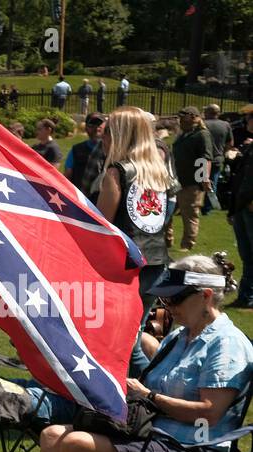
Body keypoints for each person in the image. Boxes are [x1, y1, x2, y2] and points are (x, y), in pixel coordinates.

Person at [37, 256, 253, 452]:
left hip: (192, 449)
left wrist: (152, 397)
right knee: (50, 437)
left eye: (175, 298)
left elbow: (209, 412)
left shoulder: (227, 345)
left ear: (205, 296)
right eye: (164, 297)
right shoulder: (179, 337)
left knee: (75, 444)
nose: (168, 306)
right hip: (149, 432)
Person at [97, 106, 173, 371]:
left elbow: (101, 225)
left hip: (126, 268)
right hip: (156, 263)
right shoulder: (156, 170)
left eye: (107, 131)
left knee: (124, 344)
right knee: (134, 335)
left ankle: (149, 394)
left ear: (120, 135)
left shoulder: (116, 172)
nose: (102, 137)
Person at [169, 107, 214, 251]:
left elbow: (206, 157)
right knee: (167, 212)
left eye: (183, 117)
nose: (180, 120)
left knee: (189, 215)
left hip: (192, 183)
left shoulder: (202, 134)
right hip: (176, 180)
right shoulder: (183, 134)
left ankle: (187, 245)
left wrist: (204, 178)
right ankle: (166, 240)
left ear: (193, 117)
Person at [230, 131, 253, 308]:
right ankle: (246, 296)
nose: (247, 120)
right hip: (242, 204)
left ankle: (248, 295)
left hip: (248, 204)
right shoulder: (249, 146)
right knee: (247, 254)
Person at [202, 104, 233, 215]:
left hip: (202, 158)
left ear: (209, 112)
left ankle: (193, 204)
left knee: (196, 182)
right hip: (217, 158)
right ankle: (207, 208)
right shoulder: (226, 125)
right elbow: (230, 143)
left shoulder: (203, 124)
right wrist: (223, 153)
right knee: (213, 183)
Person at [66, 113, 106, 198]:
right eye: (92, 124)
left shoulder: (113, 150)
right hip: (81, 198)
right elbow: (68, 175)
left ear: (105, 126)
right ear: (86, 128)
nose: (96, 127)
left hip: (103, 198)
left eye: (99, 124)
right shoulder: (76, 150)